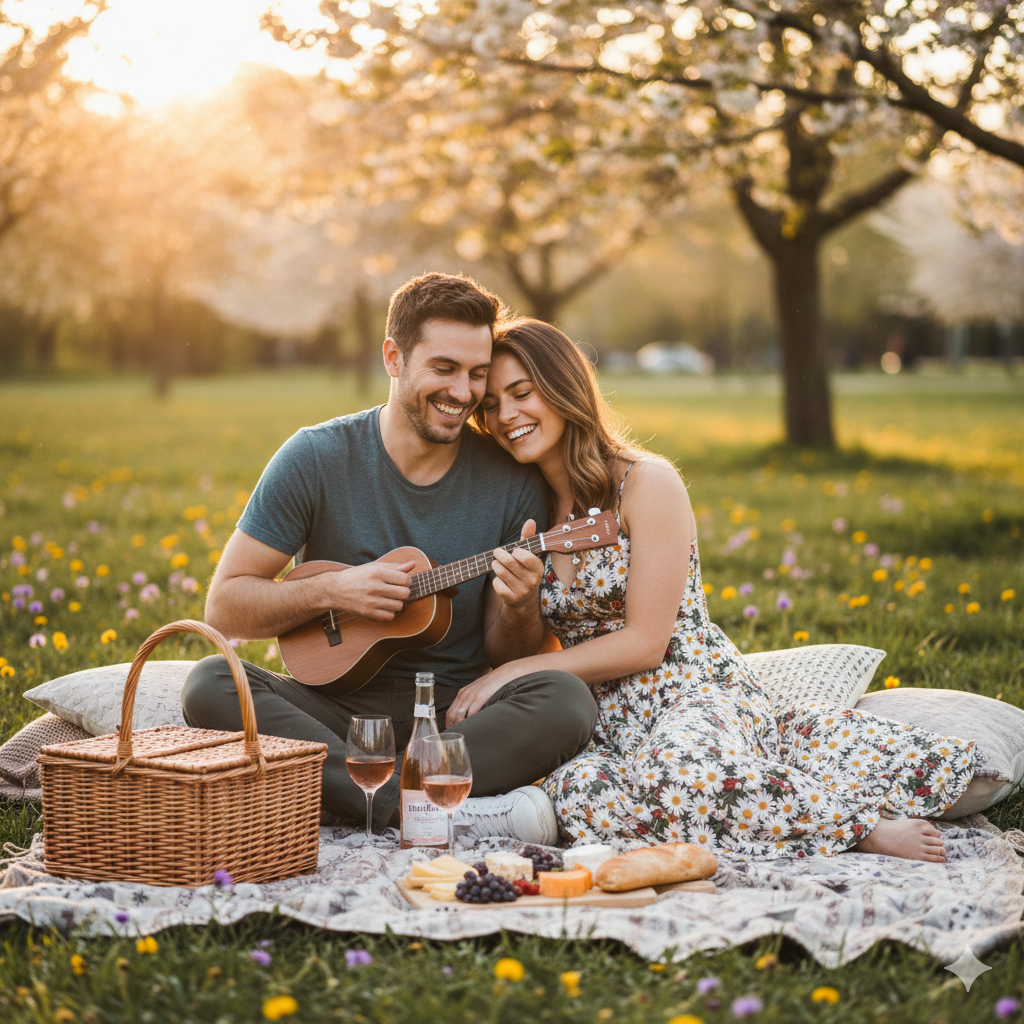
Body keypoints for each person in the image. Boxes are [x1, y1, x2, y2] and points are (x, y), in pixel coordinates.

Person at [452, 317, 976, 861]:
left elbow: (645, 643)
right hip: (598, 717)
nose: (505, 415)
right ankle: (733, 804)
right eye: (490, 405)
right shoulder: (520, 508)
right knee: (578, 798)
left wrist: (516, 673)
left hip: (688, 688)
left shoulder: (645, 483)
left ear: (563, 388)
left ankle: (856, 826)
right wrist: (519, 608)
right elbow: (508, 647)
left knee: (678, 776)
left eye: (521, 393)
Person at [181, 274, 597, 842]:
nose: (464, 392)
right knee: (208, 682)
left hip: (457, 721)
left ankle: (357, 796)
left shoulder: (512, 481)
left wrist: (522, 605)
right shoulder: (315, 457)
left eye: (478, 374)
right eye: (444, 368)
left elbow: (510, 652)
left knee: (568, 699)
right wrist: (331, 591)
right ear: (393, 357)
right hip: (336, 718)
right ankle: (424, 802)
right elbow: (225, 608)